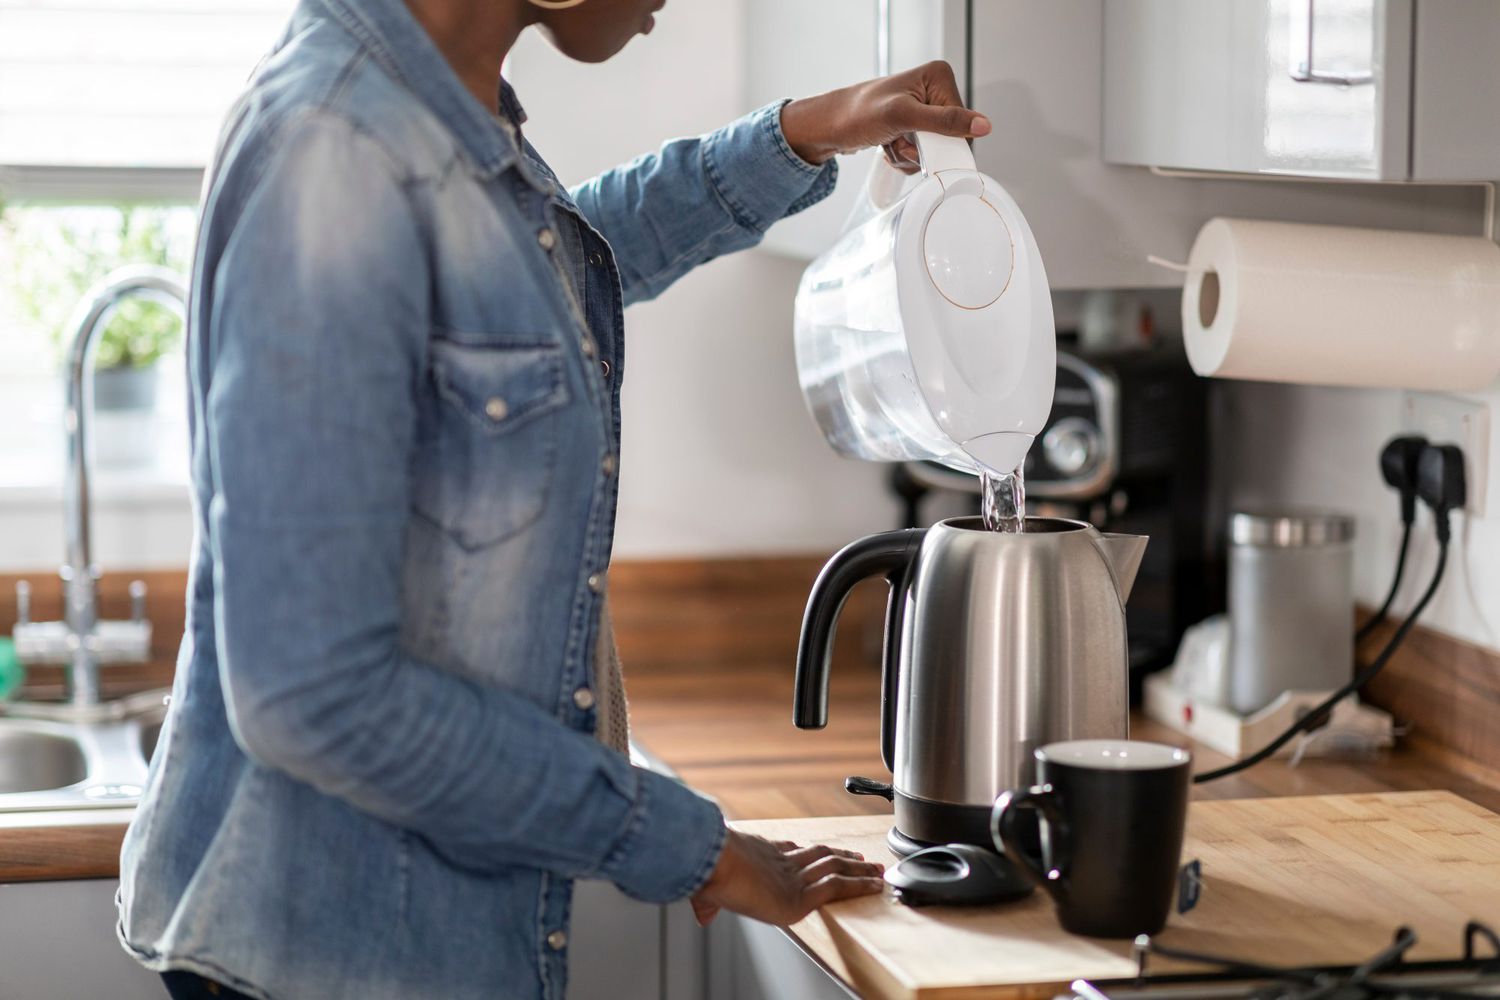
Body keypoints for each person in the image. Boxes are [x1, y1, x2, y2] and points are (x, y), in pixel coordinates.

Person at [116, 0, 992, 997]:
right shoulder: (338, 152)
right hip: (326, 957)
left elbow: (566, 259)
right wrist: (690, 846)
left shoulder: (440, 117)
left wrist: (799, 134)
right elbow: (312, 693)